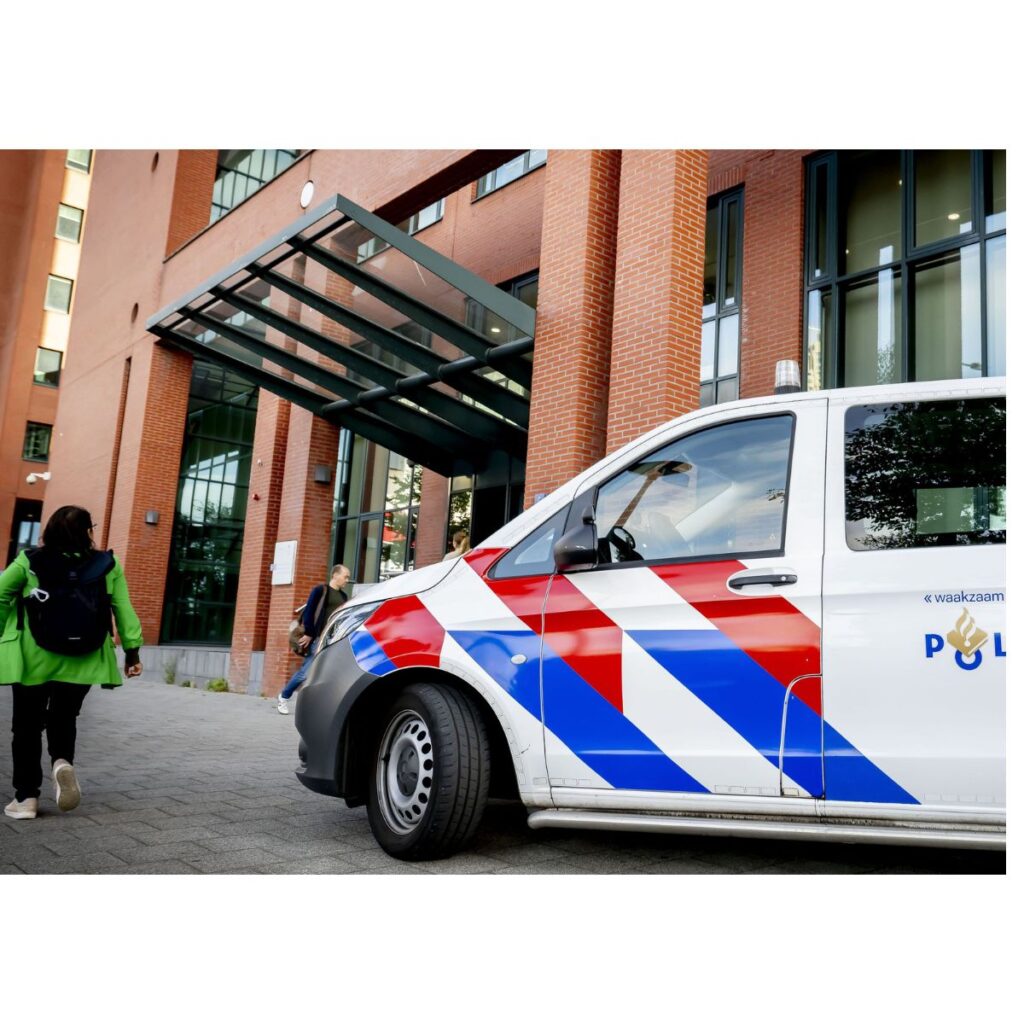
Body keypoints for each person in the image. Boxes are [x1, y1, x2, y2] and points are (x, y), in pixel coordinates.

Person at [0, 506, 143, 820]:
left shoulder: (29, 560)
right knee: (64, 716)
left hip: (32, 657)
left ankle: (26, 798)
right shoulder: (108, 564)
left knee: (26, 725)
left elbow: (0, 595)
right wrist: (132, 651)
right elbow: (123, 608)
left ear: (49, 530)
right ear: (88, 531)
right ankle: (61, 762)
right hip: (85, 655)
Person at [277, 564, 350, 715]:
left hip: (333, 640)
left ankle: (320, 706)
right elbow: (309, 611)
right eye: (345, 576)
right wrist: (309, 633)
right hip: (318, 639)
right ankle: (284, 697)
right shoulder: (320, 591)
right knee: (306, 673)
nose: (347, 580)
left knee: (328, 674)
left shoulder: (344, 597)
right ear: (335, 575)